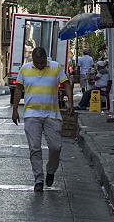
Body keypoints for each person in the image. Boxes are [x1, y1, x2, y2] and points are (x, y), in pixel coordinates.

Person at [11, 46, 74, 192]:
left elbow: (66, 84)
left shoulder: (55, 67)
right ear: (33, 59)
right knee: (34, 148)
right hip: (31, 114)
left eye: (42, 62)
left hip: (52, 114)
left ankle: (50, 171)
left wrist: (70, 103)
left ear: (46, 58)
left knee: (56, 147)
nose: (39, 66)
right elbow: (19, 89)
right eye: (37, 63)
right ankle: (38, 179)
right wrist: (15, 110)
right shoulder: (25, 69)